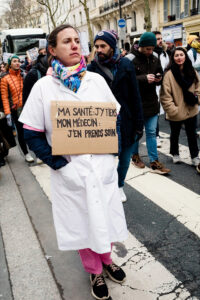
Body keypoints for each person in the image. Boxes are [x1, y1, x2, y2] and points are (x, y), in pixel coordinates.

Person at [19, 24, 128, 300]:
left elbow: (113, 117)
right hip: (71, 170)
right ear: (52, 49)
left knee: (104, 216)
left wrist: (111, 152)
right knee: (83, 222)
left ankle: (107, 259)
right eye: (67, 41)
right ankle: (94, 270)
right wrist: (57, 164)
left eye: (77, 40)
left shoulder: (96, 80)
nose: (75, 45)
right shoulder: (44, 87)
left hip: (100, 167)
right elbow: (31, 132)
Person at [87, 30, 144, 202]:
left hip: (126, 120)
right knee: (106, 162)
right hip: (103, 122)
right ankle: (107, 187)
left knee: (125, 159)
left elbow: (135, 95)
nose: (99, 49)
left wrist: (139, 124)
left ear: (112, 46)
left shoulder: (126, 64)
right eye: (96, 46)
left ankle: (119, 185)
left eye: (102, 46)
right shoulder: (92, 68)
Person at [127, 32, 170, 174]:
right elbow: (126, 80)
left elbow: (160, 72)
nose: (150, 51)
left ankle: (154, 161)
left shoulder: (155, 57)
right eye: (147, 49)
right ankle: (135, 156)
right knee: (136, 134)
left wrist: (159, 77)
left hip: (151, 102)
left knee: (151, 133)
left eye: (152, 48)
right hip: (136, 104)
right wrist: (144, 78)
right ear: (141, 46)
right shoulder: (129, 59)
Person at [160, 47, 200, 167]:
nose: (179, 58)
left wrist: (197, 98)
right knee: (175, 133)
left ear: (185, 56)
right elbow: (165, 95)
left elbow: (198, 86)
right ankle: (175, 153)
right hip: (176, 111)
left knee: (192, 134)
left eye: (181, 55)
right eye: (176, 55)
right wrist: (173, 110)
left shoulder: (192, 71)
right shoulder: (169, 74)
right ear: (173, 58)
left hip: (191, 108)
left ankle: (194, 156)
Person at [1, 55, 34, 162]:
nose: (17, 63)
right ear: (10, 63)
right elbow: (4, 97)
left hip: (27, 108)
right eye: (14, 61)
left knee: (31, 130)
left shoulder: (23, 75)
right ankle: (26, 153)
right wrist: (7, 113)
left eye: (18, 61)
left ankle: (35, 151)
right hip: (16, 110)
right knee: (21, 132)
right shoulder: (5, 78)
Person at [153, 31, 169, 148]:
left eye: (161, 38)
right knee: (155, 112)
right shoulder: (151, 54)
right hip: (153, 86)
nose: (160, 41)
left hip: (163, 85)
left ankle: (157, 134)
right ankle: (156, 136)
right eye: (157, 39)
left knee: (161, 110)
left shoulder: (164, 54)